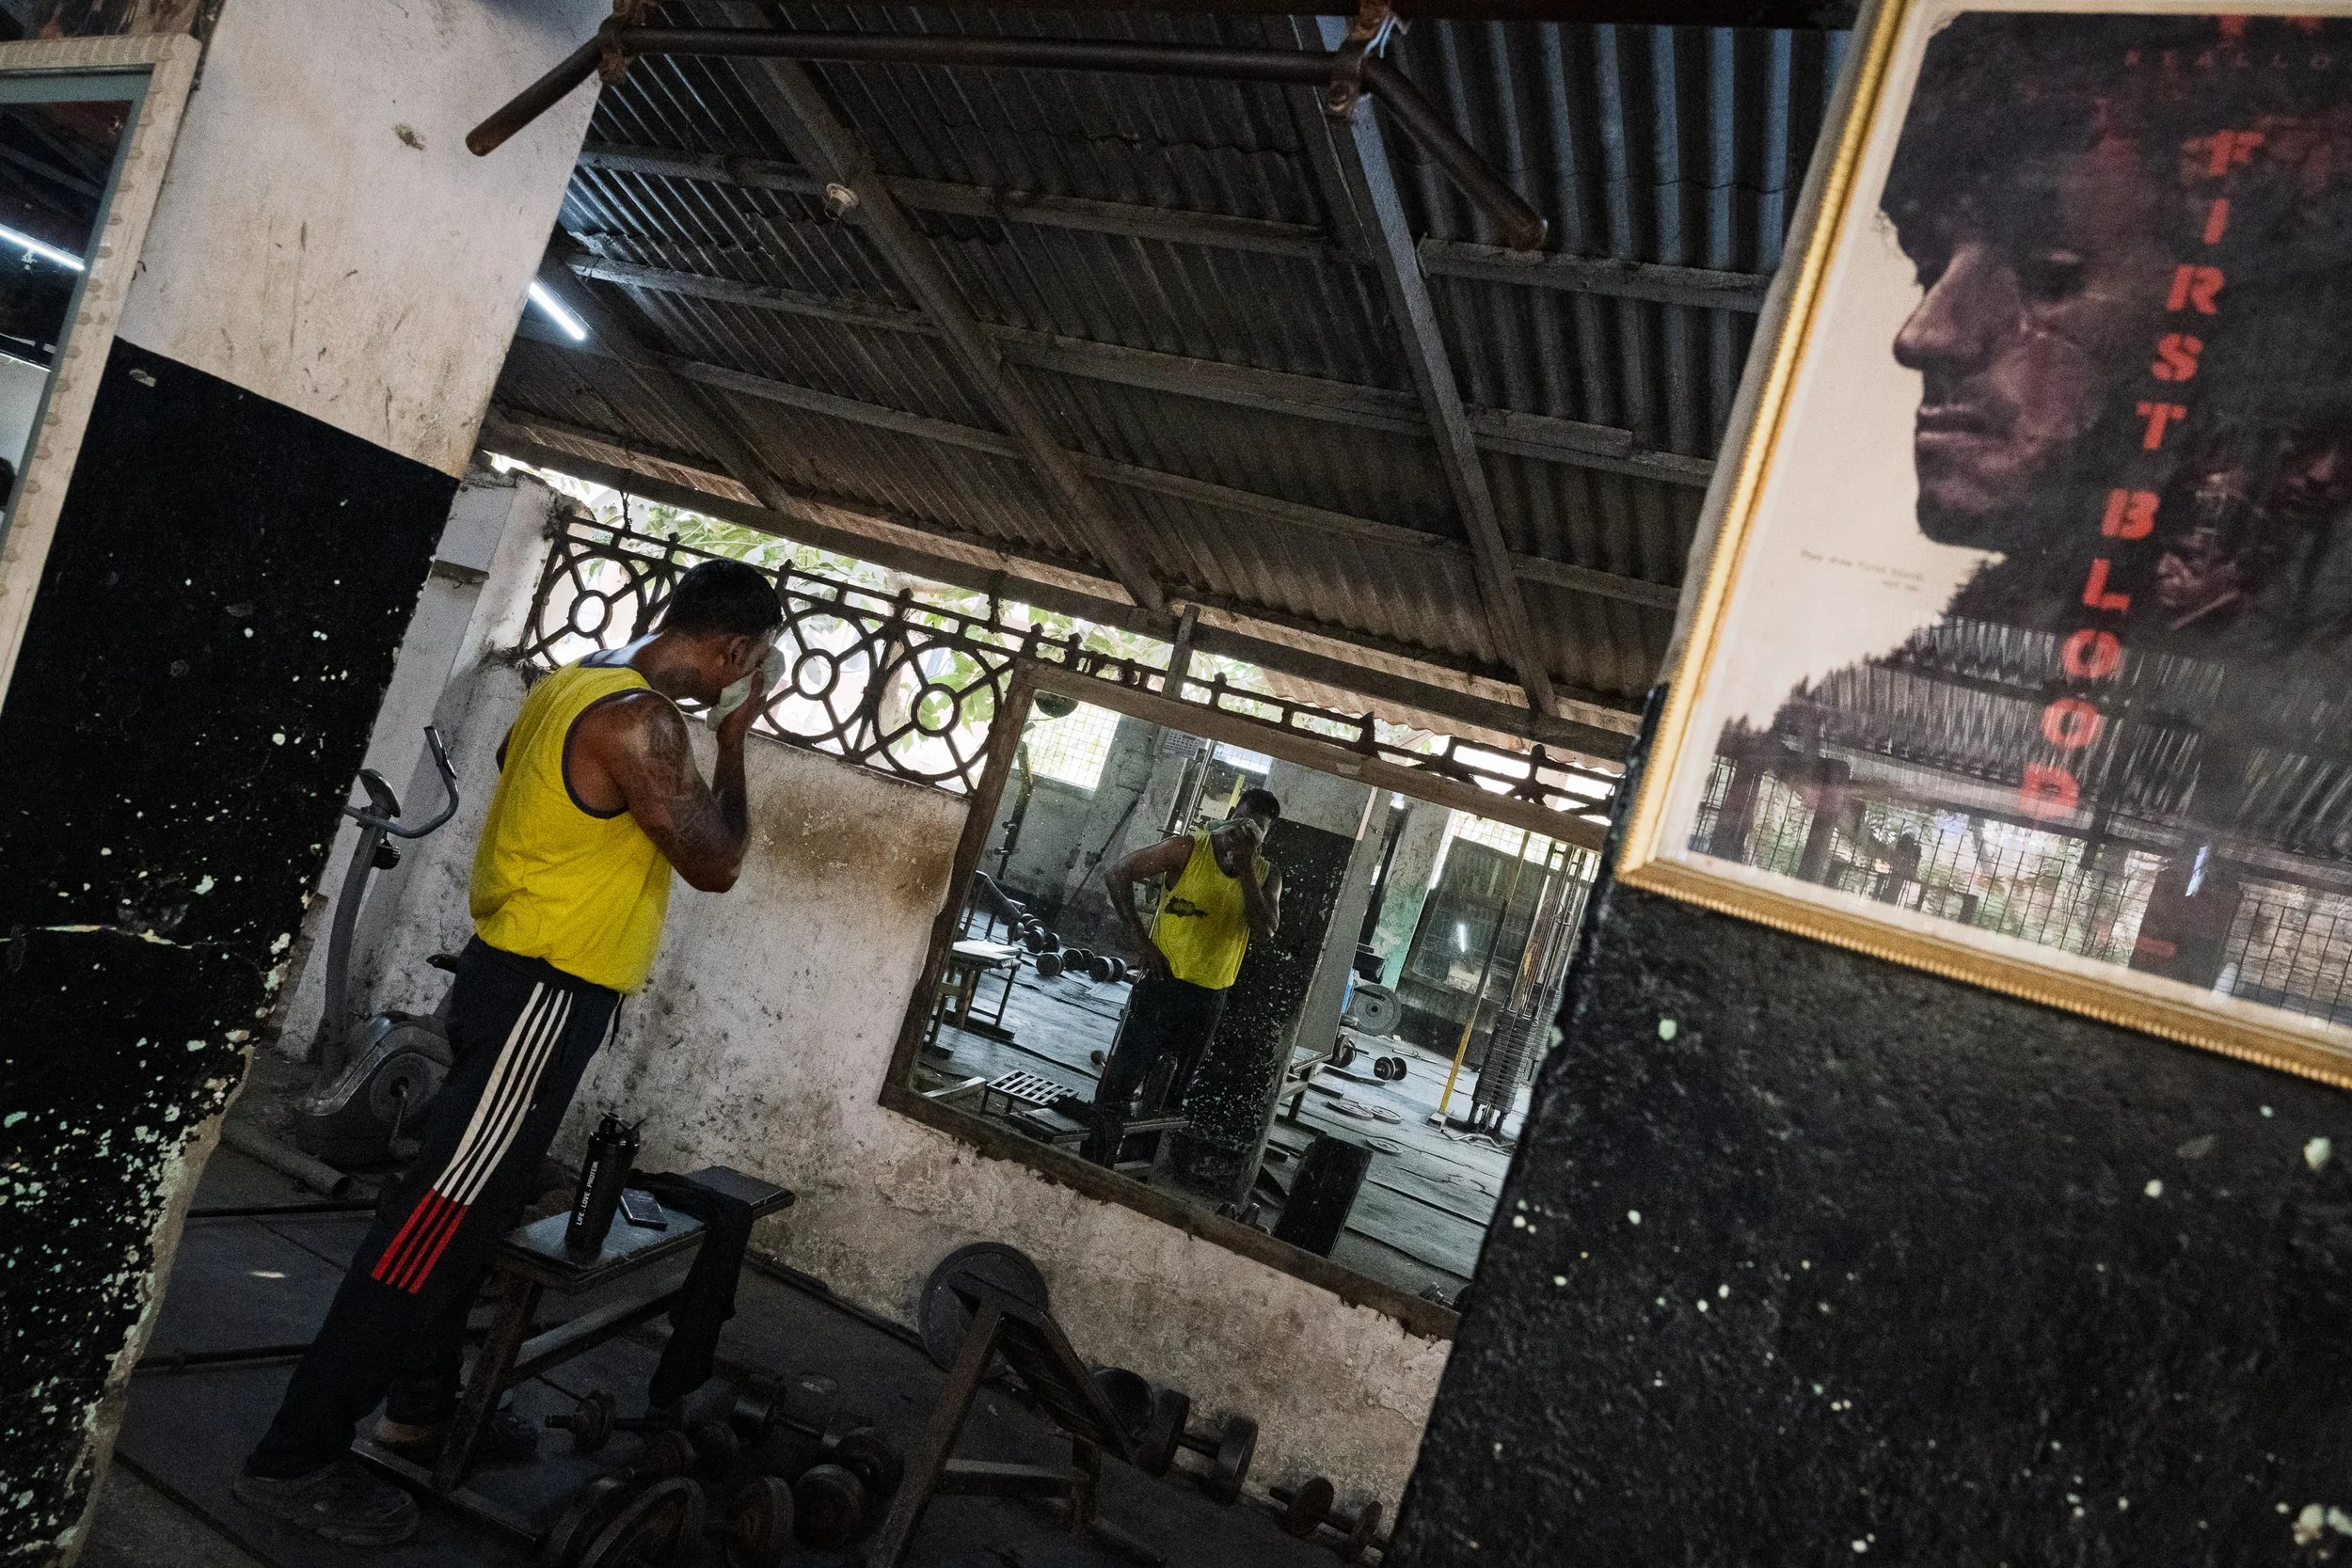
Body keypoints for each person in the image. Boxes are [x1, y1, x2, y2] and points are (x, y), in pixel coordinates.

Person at [232, 559, 781, 1545]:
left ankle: (422, 1406)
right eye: (748, 668)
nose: (737, 682)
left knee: (464, 1215)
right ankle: (294, 1454)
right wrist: (735, 742)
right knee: (432, 1217)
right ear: (735, 650)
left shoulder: (573, 679)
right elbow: (717, 860)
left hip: (510, 977)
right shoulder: (645, 720)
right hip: (543, 992)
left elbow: (525, 792)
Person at [1083, 788, 1283, 1167]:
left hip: (1210, 996)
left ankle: (1134, 1174)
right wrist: (1141, 943)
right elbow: (1118, 872)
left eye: (1256, 829)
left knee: (1170, 1093)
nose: (1244, 832)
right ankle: (1091, 1164)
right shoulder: (1188, 849)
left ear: (1264, 836)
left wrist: (1244, 871)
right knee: (1122, 1080)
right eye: (1241, 821)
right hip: (1162, 984)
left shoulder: (1266, 874)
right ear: (1228, 816)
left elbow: (1265, 932)